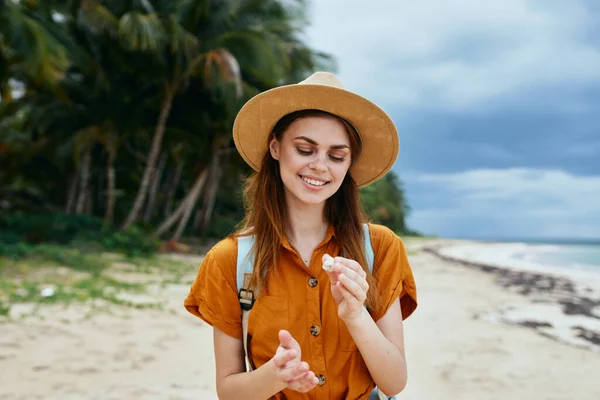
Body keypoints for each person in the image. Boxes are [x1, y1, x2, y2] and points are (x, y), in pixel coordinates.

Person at [184, 72, 418, 400]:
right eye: (305, 149)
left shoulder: (380, 247)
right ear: (276, 147)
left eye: (337, 156)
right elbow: (228, 390)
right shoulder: (230, 260)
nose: (320, 165)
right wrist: (275, 375)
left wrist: (355, 314)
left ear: (349, 164)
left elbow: (394, 382)